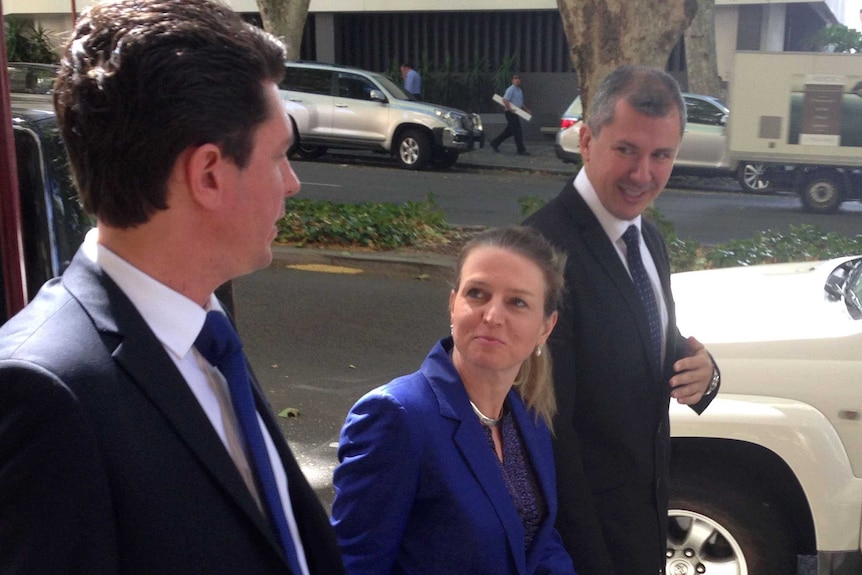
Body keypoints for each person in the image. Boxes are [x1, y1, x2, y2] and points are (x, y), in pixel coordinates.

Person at [0, 1, 345, 573]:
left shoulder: (205, 332)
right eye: (279, 156)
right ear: (208, 173)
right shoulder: (45, 394)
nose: (293, 183)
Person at [523, 65, 721, 575]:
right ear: (587, 140)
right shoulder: (539, 254)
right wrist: (592, 561)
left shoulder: (647, 240)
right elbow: (549, 433)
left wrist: (705, 374)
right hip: (585, 544)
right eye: (627, 150)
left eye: (662, 156)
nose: (643, 174)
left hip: (645, 523)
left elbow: (647, 339)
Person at [331, 226, 577, 575]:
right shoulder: (397, 416)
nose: (492, 316)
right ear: (452, 304)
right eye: (477, 293)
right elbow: (354, 565)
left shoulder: (526, 419)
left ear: (545, 327)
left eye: (517, 302)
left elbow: (536, 542)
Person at [491, 74, 530, 156]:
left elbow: (520, 102)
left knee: (509, 132)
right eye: (515, 78)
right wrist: (509, 109)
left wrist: (526, 110)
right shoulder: (511, 89)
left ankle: (495, 143)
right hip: (510, 113)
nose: (517, 80)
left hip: (516, 112)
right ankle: (521, 150)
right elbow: (505, 100)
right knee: (517, 131)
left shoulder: (519, 90)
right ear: (512, 80)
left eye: (519, 78)